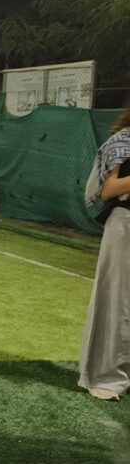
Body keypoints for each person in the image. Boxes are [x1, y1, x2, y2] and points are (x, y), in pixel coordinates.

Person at [78, 106, 130, 401]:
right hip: (125, 223)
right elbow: (109, 190)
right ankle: (106, 377)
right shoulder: (123, 140)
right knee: (116, 302)